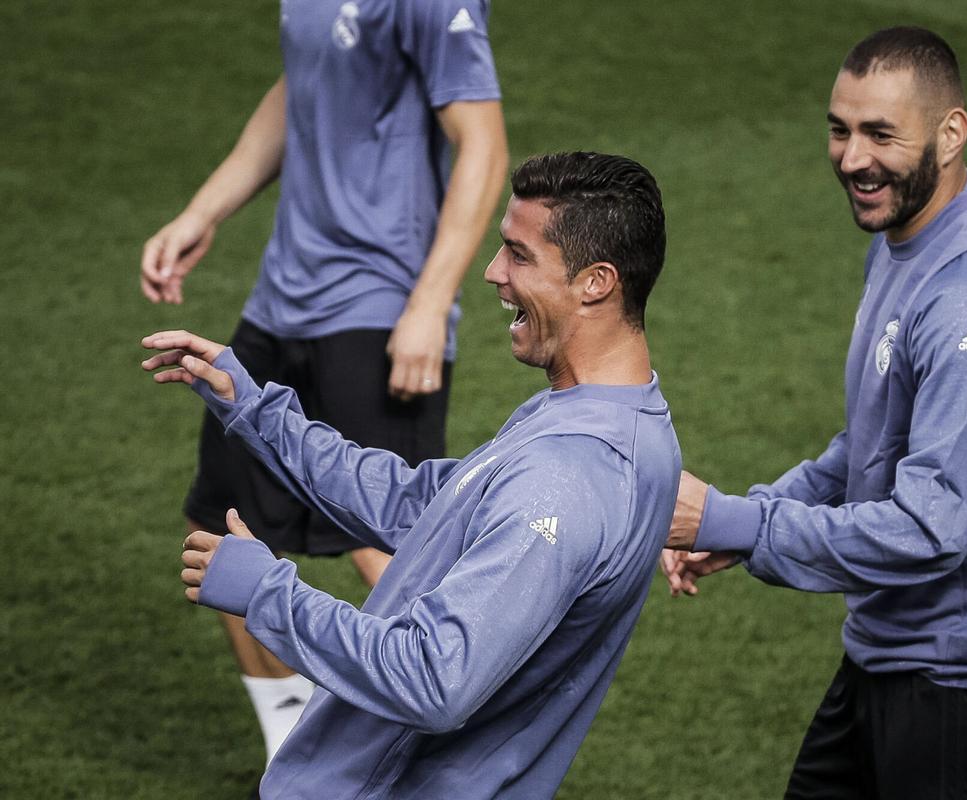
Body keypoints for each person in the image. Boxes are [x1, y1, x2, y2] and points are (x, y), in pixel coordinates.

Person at [142, 152, 680, 799]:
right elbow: (418, 503)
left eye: (519, 255)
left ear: (596, 282)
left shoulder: (563, 479)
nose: (492, 271)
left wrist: (268, 594)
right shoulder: (619, 418)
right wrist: (257, 409)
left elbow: (433, 679)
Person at [662, 27, 967, 799]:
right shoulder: (902, 245)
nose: (853, 158)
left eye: (881, 134)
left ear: (950, 134)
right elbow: (874, 445)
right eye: (840, 129)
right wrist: (748, 515)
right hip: (890, 659)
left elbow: (929, 530)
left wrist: (739, 523)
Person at [138, 0, 508, 761]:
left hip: (379, 302)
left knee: (397, 545)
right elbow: (303, 80)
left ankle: (460, 749)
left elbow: (484, 143)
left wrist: (429, 302)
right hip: (281, 301)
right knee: (223, 531)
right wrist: (205, 210)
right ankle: (292, 749)